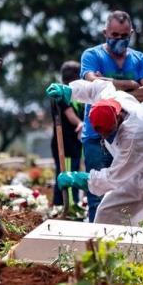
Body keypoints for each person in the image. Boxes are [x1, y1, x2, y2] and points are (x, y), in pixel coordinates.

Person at [46, 79, 143, 231]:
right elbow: (94, 87)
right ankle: (110, 254)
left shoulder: (134, 132)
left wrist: (79, 179)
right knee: (107, 214)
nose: (106, 138)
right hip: (134, 173)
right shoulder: (108, 98)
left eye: (109, 133)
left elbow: (112, 178)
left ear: (118, 116)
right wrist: (70, 91)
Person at [80, 10, 143, 222]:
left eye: (124, 36)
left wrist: (109, 86)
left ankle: (125, 243)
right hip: (97, 136)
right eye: (114, 35)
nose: (119, 40)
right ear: (105, 32)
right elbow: (92, 82)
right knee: (96, 192)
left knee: (127, 193)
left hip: (129, 136)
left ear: (131, 33)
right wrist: (131, 86)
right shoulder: (92, 56)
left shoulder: (139, 59)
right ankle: (95, 246)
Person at [51, 61, 84, 206]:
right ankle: (68, 207)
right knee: (68, 175)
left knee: (71, 172)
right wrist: (80, 124)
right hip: (65, 144)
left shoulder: (76, 95)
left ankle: (66, 206)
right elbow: (70, 115)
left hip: (74, 144)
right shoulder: (60, 93)